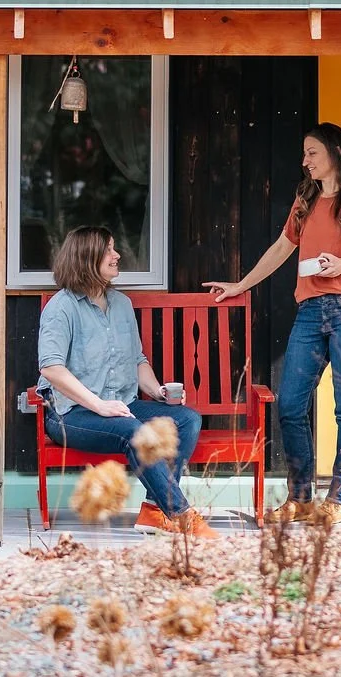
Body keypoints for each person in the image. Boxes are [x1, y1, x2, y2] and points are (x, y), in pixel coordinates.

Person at [207, 123, 341, 516]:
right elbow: (282, 248)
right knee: (291, 404)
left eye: (312, 153)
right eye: (304, 154)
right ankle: (300, 499)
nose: (305, 161)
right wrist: (240, 284)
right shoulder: (305, 199)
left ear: (335, 153)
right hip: (311, 310)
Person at [36, 225, 215, 537]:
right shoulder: (61, 308)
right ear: (86, 257)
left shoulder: (122, 305)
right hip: (70, 414)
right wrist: (100, 406)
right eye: (108, 250)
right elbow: (51, 368)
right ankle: (181, 514)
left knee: (186, 419)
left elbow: (137, 360)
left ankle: (155, 511)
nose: (116, 255)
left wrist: (158, 391)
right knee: (133, 430)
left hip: (120, 405)